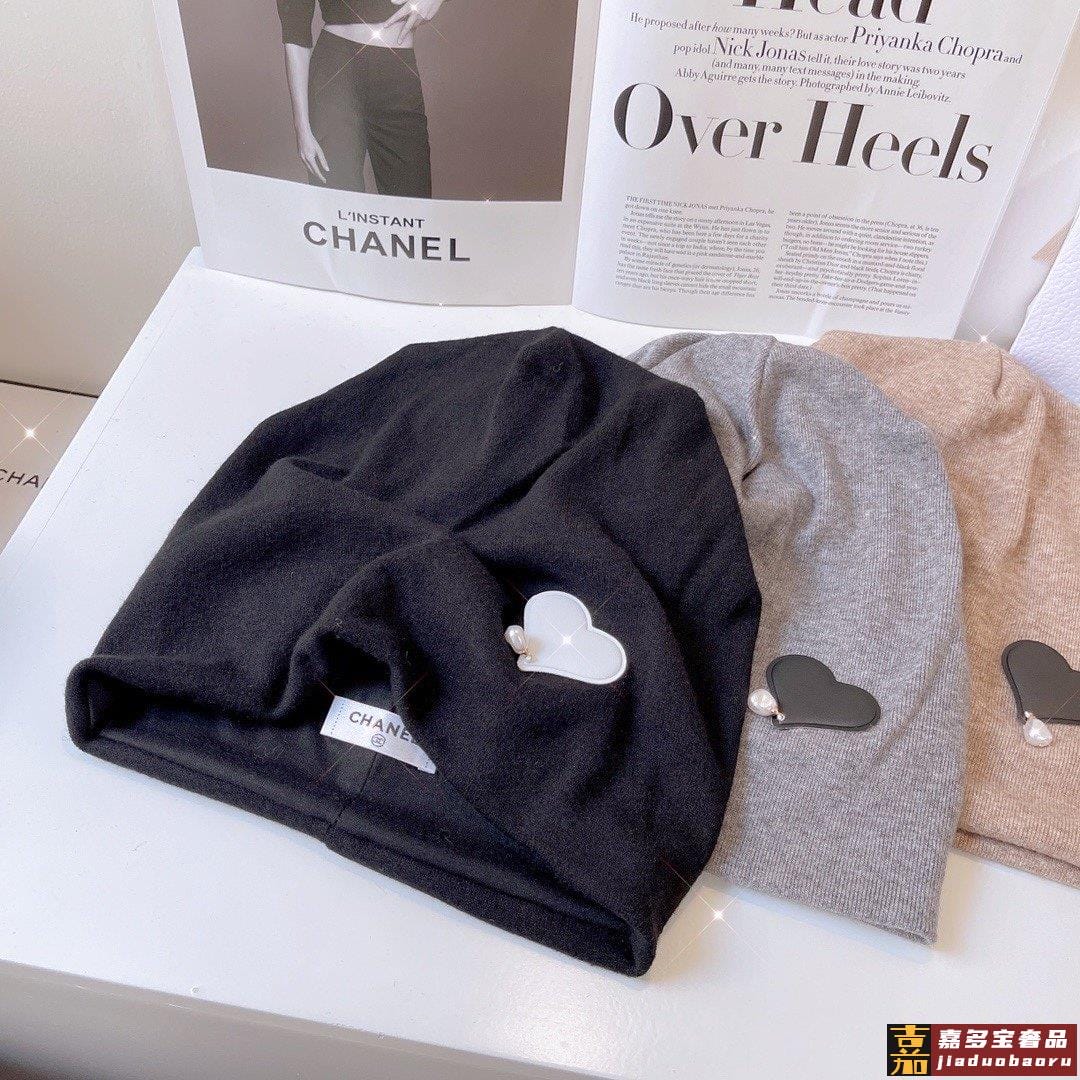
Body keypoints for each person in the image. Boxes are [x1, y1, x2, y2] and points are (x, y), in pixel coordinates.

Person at [277, 0, 446, 196]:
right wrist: (302, 128)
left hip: (396, 74)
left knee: (412, 204)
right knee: (334, 201)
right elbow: (295, 33)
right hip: (336, 75)